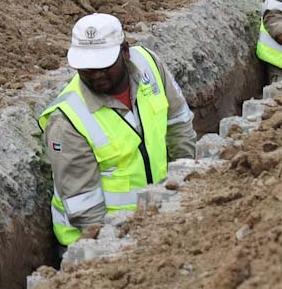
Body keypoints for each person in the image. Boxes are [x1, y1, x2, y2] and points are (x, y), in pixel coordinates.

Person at [38, 13, 196, 245]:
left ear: (124, 51)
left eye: (104, 65)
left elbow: (179, 123)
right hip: (98, 241)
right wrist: (119, 246)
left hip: (158, 222)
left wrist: (185, 185)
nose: (96, 75)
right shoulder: (67, 121)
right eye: (87, 68)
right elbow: (85, 207)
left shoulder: (149, 66)